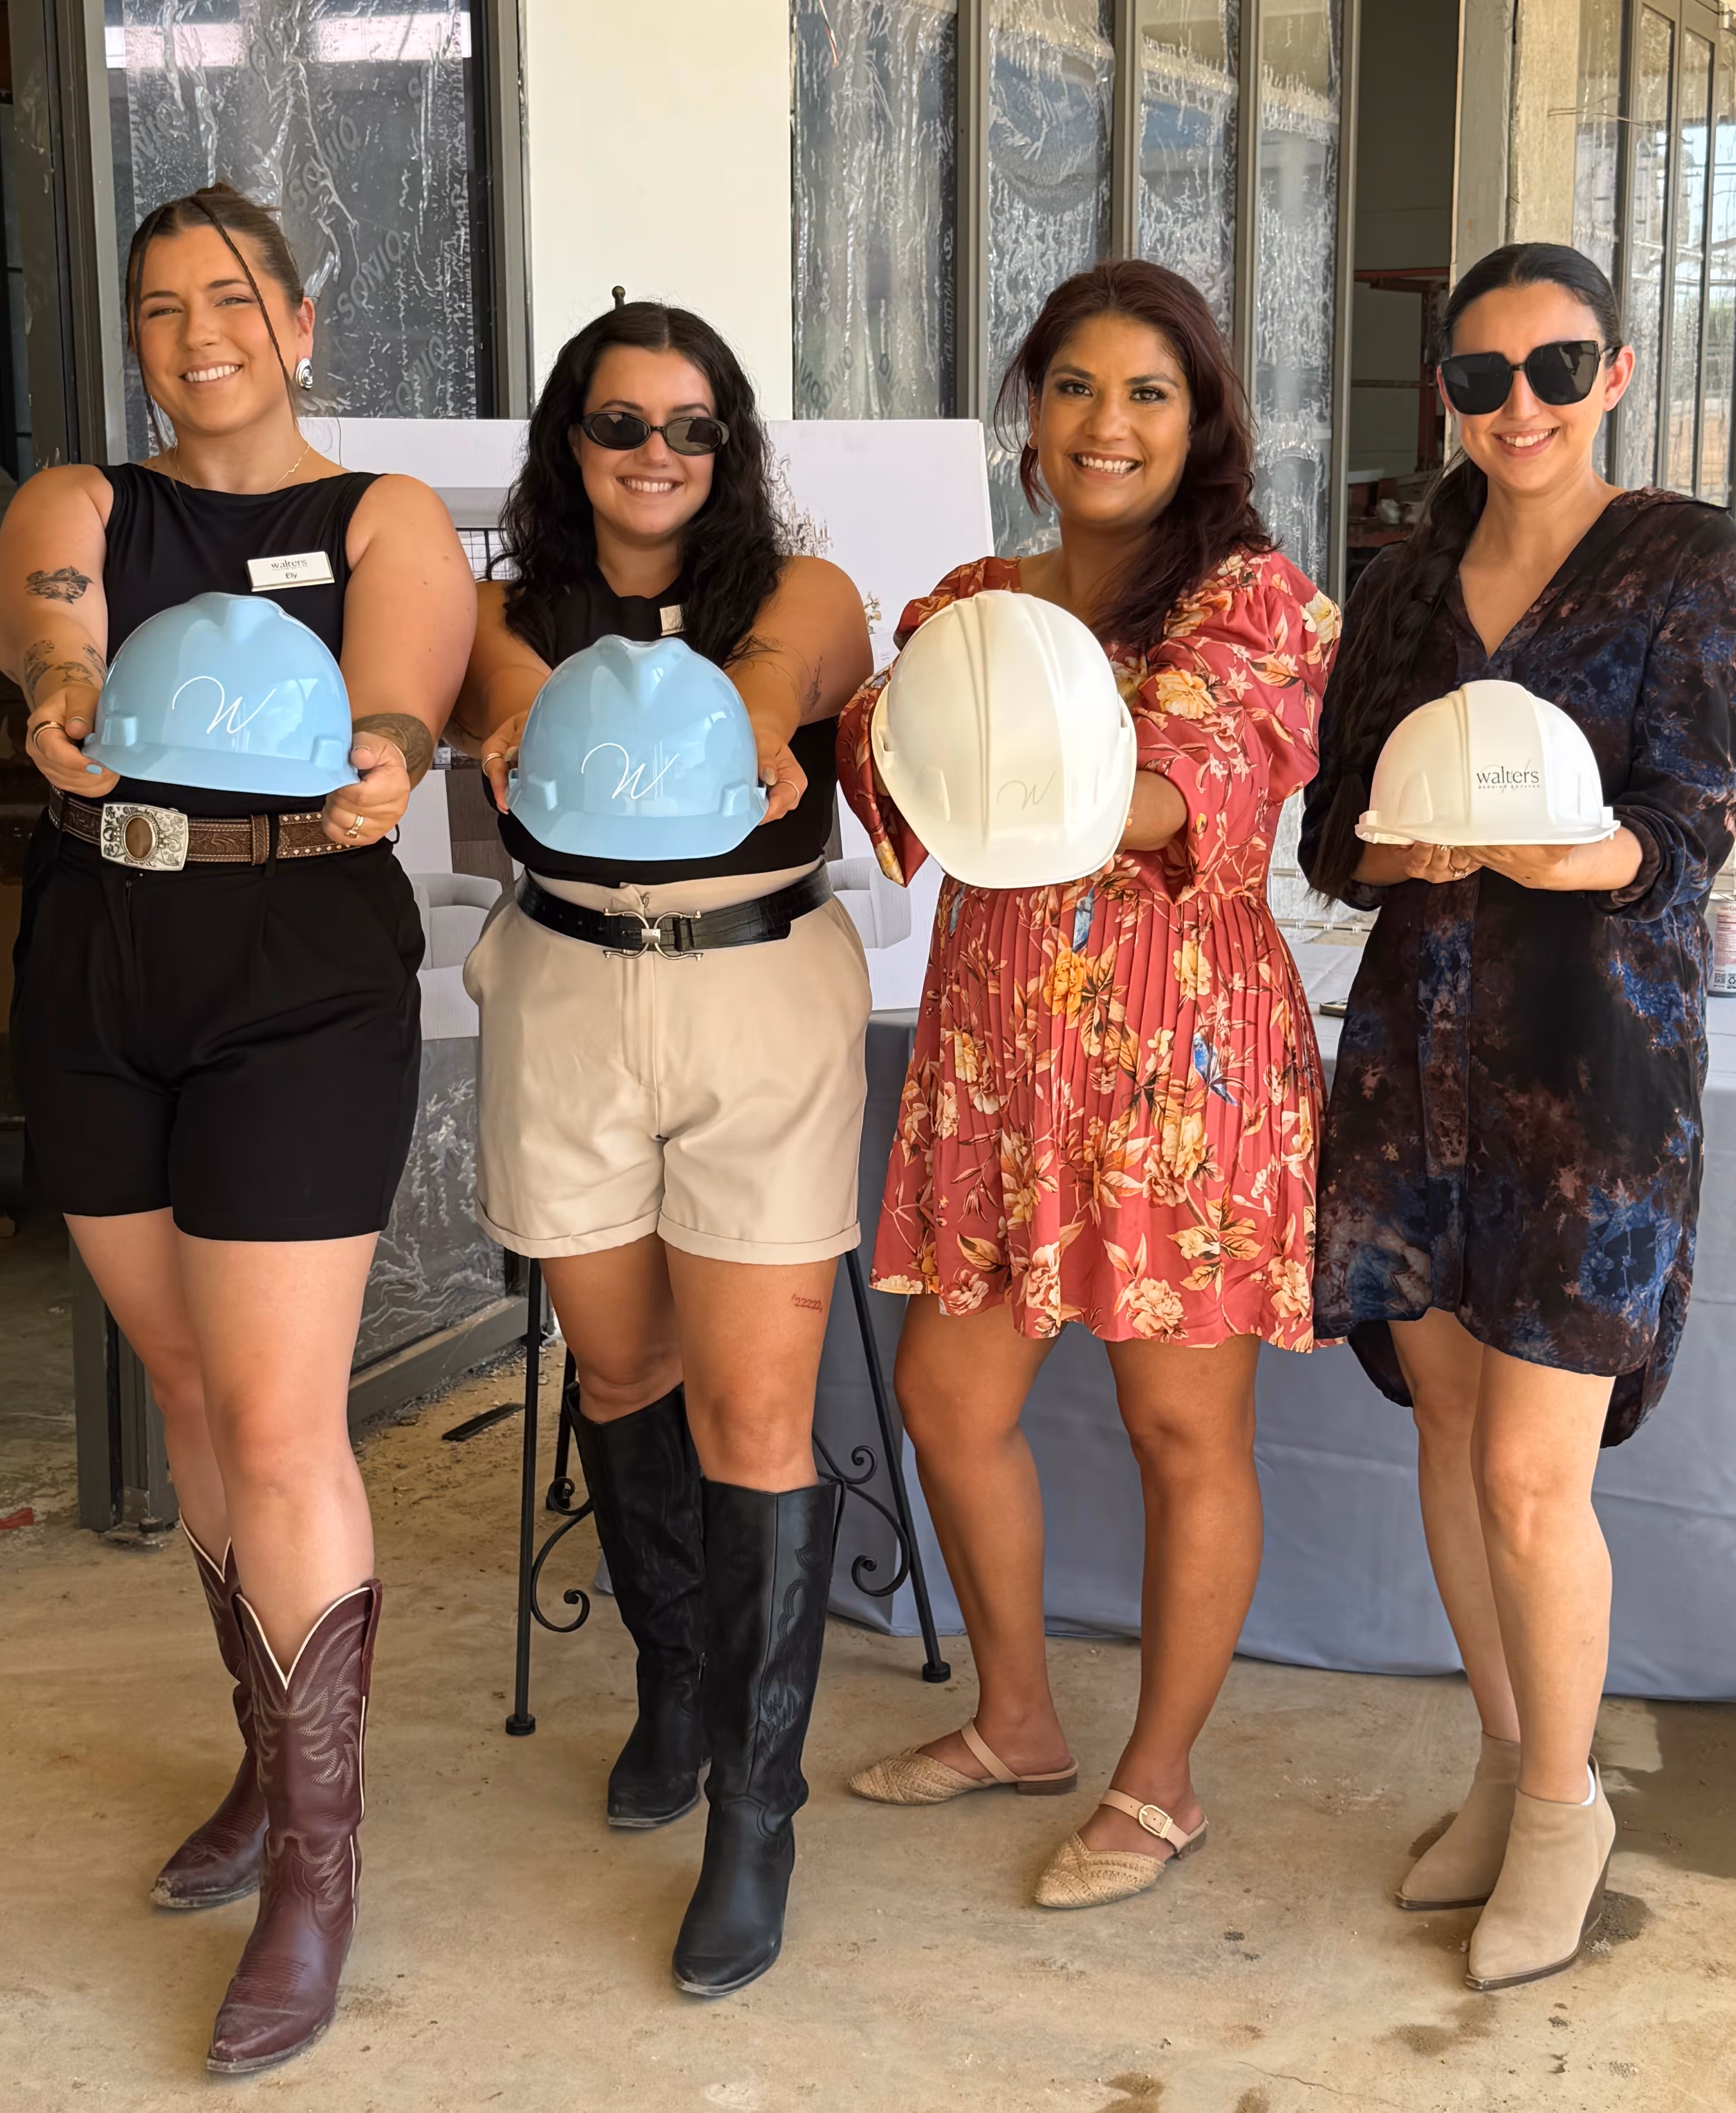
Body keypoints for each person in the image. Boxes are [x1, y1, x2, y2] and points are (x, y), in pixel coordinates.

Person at [0, 183, 476, 2070]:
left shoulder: (379, 516)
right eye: (158, 304)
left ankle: (317, 1870)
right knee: (190, 1397)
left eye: (231, 296)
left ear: (301, 319)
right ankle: (265, 1768)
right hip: (104, 952)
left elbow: (407, 680)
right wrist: (55, 704)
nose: (194, 330)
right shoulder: (85, 504)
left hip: (298, 963)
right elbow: (54, 635)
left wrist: (390, 755)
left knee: (279, 1418)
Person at [841, 260, 1339, 1910]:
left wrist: (977, 729)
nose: (1105, 422)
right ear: (1029, 413)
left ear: (1199, 423)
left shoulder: (1253, 598)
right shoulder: (976, 590)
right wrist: (904, 713)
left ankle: (1160, 1779)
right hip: (998, 1059)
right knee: (944, 1397)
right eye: (1072, 388)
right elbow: (890, 763)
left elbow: (1161, 799)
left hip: (1183, 1065)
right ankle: (1019, 1719)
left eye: (1147, 393)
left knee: (1177, 1423)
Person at [1300, 242, 1736, 1990]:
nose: (1518, 408)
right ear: (1446, 395)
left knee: (1527, 1471)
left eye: (1555, 370)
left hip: (1591, 1062)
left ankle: (1565, 1805)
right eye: (1479, 379)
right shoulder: (1405, 581)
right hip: (1418, 1048)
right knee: (1440, 1433)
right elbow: (1338, 829)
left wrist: (1595, 853)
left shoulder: (1688, 559)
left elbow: (1697, 821)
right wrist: (1391, 851)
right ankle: (1500, 1760)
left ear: (1615, 373)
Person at [452, 294, 872, 1996]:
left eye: (691, 425)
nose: (654, 454)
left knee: (754, 1413)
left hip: (753, 984)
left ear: (734, 445)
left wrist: (753, 717)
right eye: (619, 422)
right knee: (619, 1375)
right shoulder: (507, 614)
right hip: (565, 983)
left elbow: (778, 676)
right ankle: (674, 1685)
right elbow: (512, 695)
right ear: (570, 441)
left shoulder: (803, 593)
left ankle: (753, 1820)